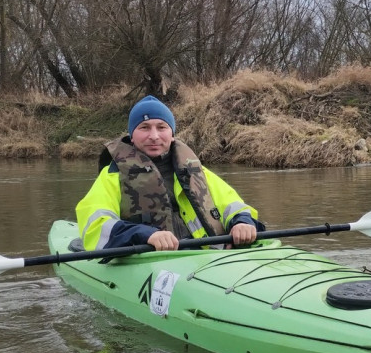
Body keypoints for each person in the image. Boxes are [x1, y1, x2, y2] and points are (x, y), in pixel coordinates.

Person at [76, 95, 262, 252]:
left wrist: (242, 223)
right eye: (144, 128)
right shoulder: (113, 176)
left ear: (172, 134)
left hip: (205, 258)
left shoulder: (196, 171)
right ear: (132, 136)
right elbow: (96, 226)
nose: (154, 136)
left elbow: (233, 205)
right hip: (149, 259)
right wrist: (146, 235)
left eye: (161, 127)